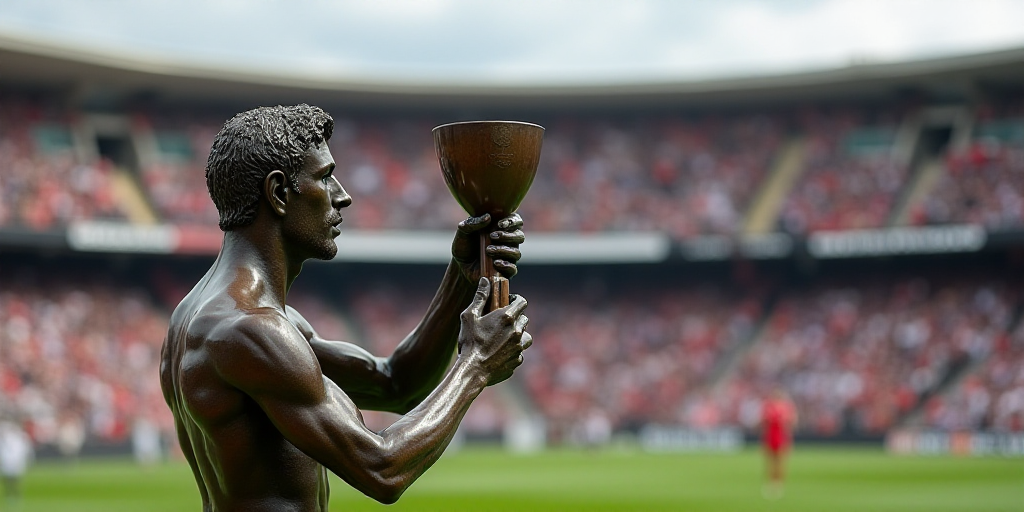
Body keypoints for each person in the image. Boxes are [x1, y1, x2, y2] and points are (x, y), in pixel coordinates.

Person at [159, 104, 532, 510]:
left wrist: (461, 274)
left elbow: (397, 384)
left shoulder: (209, 316)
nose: (343, 195)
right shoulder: (250, 329)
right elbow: (382, 468)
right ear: (278, 192)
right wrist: (476, 364)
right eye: (324, 177)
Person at [760, 387, 797, 499]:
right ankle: (772, 482)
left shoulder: (786, 407)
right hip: (771, 435)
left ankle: (778, 483)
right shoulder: (768, 407)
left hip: (781, 436)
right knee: (771, 461)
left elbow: (792, 421)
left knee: (780, 461)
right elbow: (763, 421)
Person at [0, 419, 32, 504]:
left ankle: (16, 494)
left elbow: (25, 448)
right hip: (7, 459)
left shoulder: (21, 436)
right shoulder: (6, 437)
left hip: (16, 459)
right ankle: (9, 494)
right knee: (7, 479)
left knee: (16, 479)